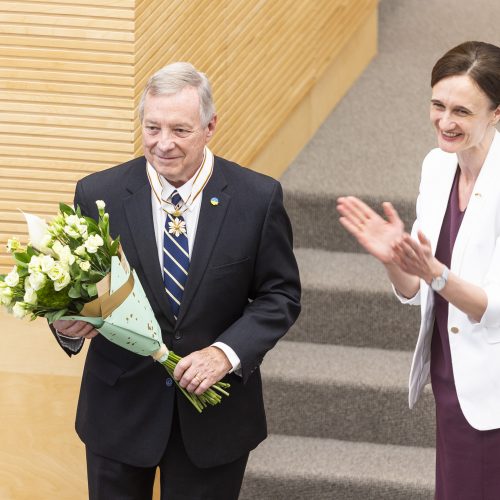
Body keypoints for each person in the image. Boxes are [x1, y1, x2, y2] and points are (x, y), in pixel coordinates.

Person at [52, 62, 301, 500]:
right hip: (119, 413)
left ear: (210, 127)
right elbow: (78, 290)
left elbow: (279, 295)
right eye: (152, 128)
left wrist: (226, 354)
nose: (163, 144)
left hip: (213, 419)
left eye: (180, 131)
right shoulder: (97, 195)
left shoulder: (257, 199)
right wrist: (66, 328)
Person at [337, 41, 500, 499]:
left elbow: (493, 306)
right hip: (452, 372)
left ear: (496, 113)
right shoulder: (436, 166)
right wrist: (395, 261)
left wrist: (436, 274)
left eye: (462, 112)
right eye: (438, 105)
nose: (445, 122)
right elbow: (413, 289)